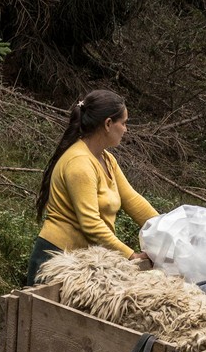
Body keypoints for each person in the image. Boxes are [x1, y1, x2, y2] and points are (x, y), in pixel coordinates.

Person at [26, 89, 158, 285]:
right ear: (108, 124)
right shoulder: (79, 163)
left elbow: (132, 200)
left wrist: (165, 228)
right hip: (57, 259)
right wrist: (131, 256)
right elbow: (90, 224)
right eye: (123, 123)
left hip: (82, 262)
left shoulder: (107, 159)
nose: (126, 129)